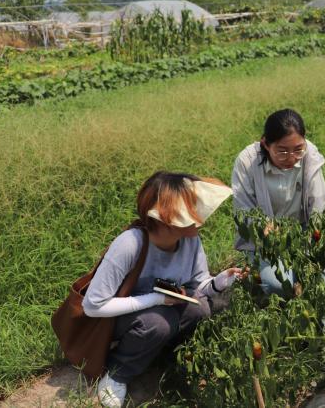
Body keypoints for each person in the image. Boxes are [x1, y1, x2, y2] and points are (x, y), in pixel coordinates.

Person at [83, 172, 247, 408]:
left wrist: (220, 281)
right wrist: (155, 299)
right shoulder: (130, 244)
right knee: (157, 324)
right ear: (164, 218)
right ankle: (117, 373)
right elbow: (93, 305)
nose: (197, 214)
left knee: (201, 309)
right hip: (120, 319)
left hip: (160, 309)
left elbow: (198, 283)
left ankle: (160, 354)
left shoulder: (190, 240)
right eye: (188, 208)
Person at [232, 109, 325, 295]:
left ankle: (320, 323)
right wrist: (262, 227)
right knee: (277, 285)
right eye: (282, 151)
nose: (291, 158)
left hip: (303, 230)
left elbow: (319, 204)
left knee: (320, 278)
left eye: (298, 150)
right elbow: (242, 208)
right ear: (266, 144)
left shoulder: (310, 156)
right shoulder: (247, 162)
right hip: (266, 238)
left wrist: (316, 240)